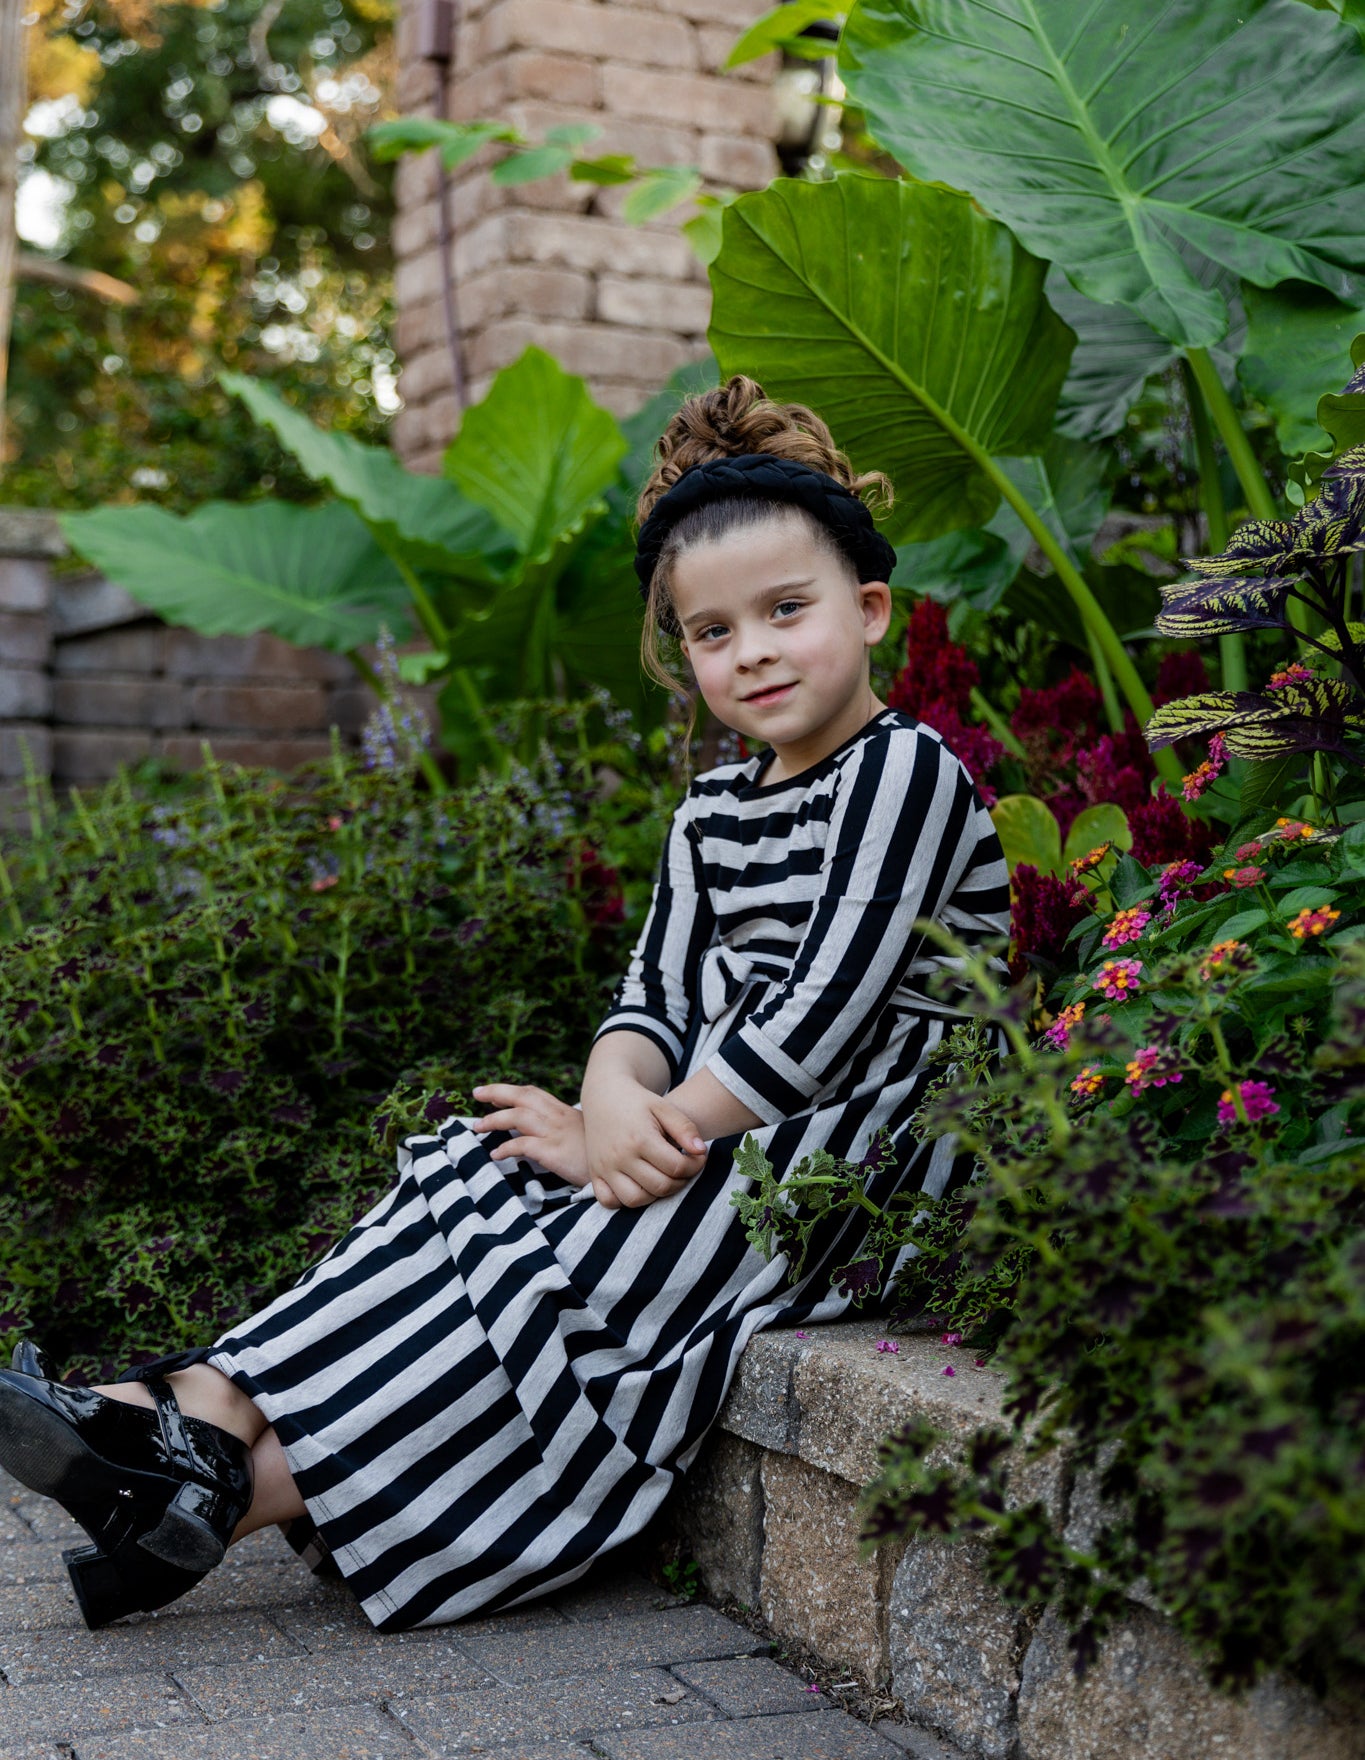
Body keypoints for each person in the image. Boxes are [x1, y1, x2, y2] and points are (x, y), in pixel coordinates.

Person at [0, 376, 1009, 1631]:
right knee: (474, 1169)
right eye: (711, 631)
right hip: (729, 1128)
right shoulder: (711, 812)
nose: (751, 650)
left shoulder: (905, 773)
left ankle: (186, 1446)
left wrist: (622, 1140)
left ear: (869, 609)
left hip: (867, 1160)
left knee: (565, 1265)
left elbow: (824, 1016)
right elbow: (655, 993)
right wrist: (606, 1093)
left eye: (786, 610)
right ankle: (198, 1462)